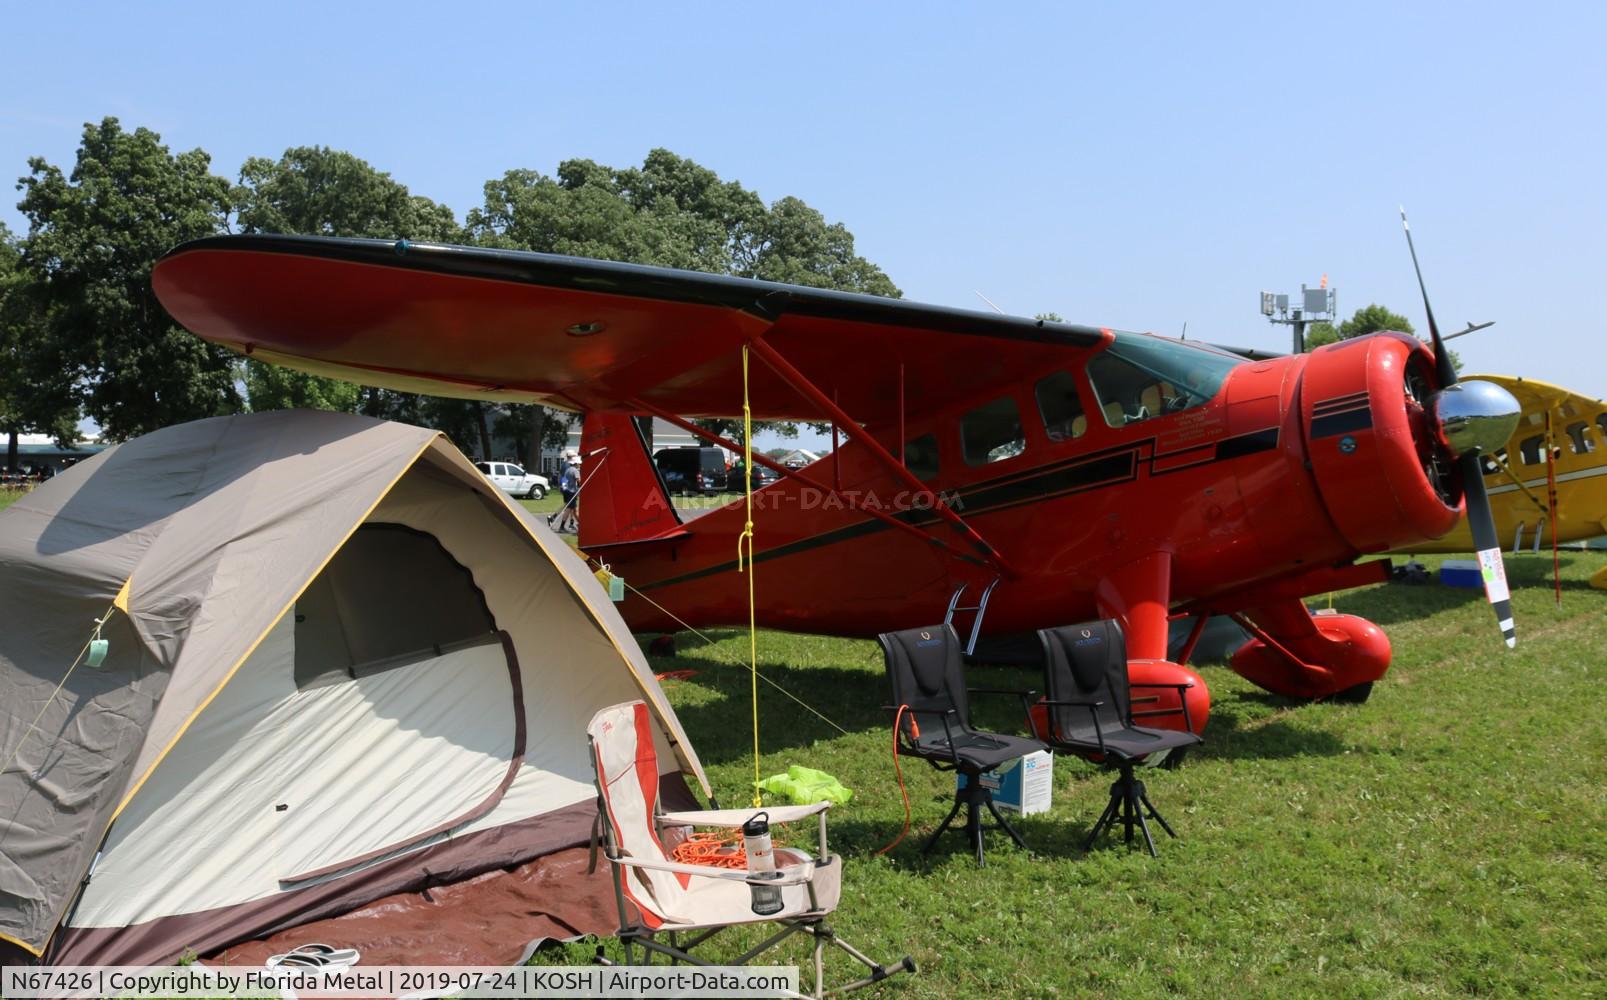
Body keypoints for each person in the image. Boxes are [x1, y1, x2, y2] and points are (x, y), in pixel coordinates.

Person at [555, 454, 581, 533]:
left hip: (566, 491)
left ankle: (581, 524)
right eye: (579, 463)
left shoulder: (568, 469)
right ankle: (561, 527)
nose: (580, 465)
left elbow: (564, 480)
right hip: (571, 492)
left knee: (574, 509)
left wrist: (564, 490)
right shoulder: (575, 470)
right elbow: (579, 481)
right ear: (576, 463)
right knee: (569, 509)